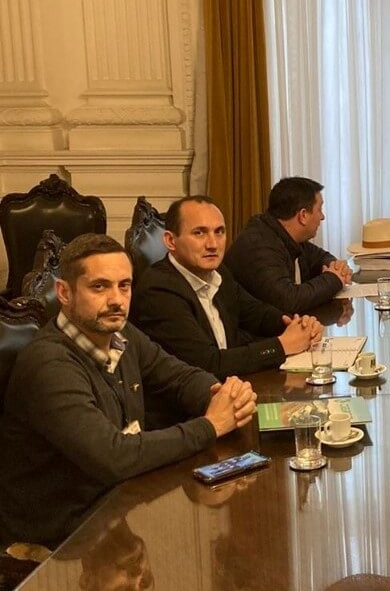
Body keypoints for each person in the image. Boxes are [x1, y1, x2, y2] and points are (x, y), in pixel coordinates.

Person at [0, 234, 257, 548]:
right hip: (61, 537)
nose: (116, 300)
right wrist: (211, 425)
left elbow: (178, 376)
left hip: (118, 500)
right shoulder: (49, 363)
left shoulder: (121, 333)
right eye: (99, 287)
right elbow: (113, 456)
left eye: (124, 286)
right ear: (64, 292)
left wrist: (221, 395)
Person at [130, 196, 323, 380]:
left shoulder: (217, 271)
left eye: (219, 232)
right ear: (171, 241)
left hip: (232, 386)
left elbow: (254, 313)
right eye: (199, 233)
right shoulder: (158, 291)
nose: (213, 244)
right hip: (193, 399)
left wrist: (295, 325)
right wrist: (282, 346)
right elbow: (209, 364)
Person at [224, 177, 353, 314]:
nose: (322, 217)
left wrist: (336, 267)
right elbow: (288, 300)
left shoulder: (288, 236)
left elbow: (321, 257)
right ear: (303, 215)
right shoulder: (258, 246)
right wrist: (334, 278)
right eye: (319, 209)